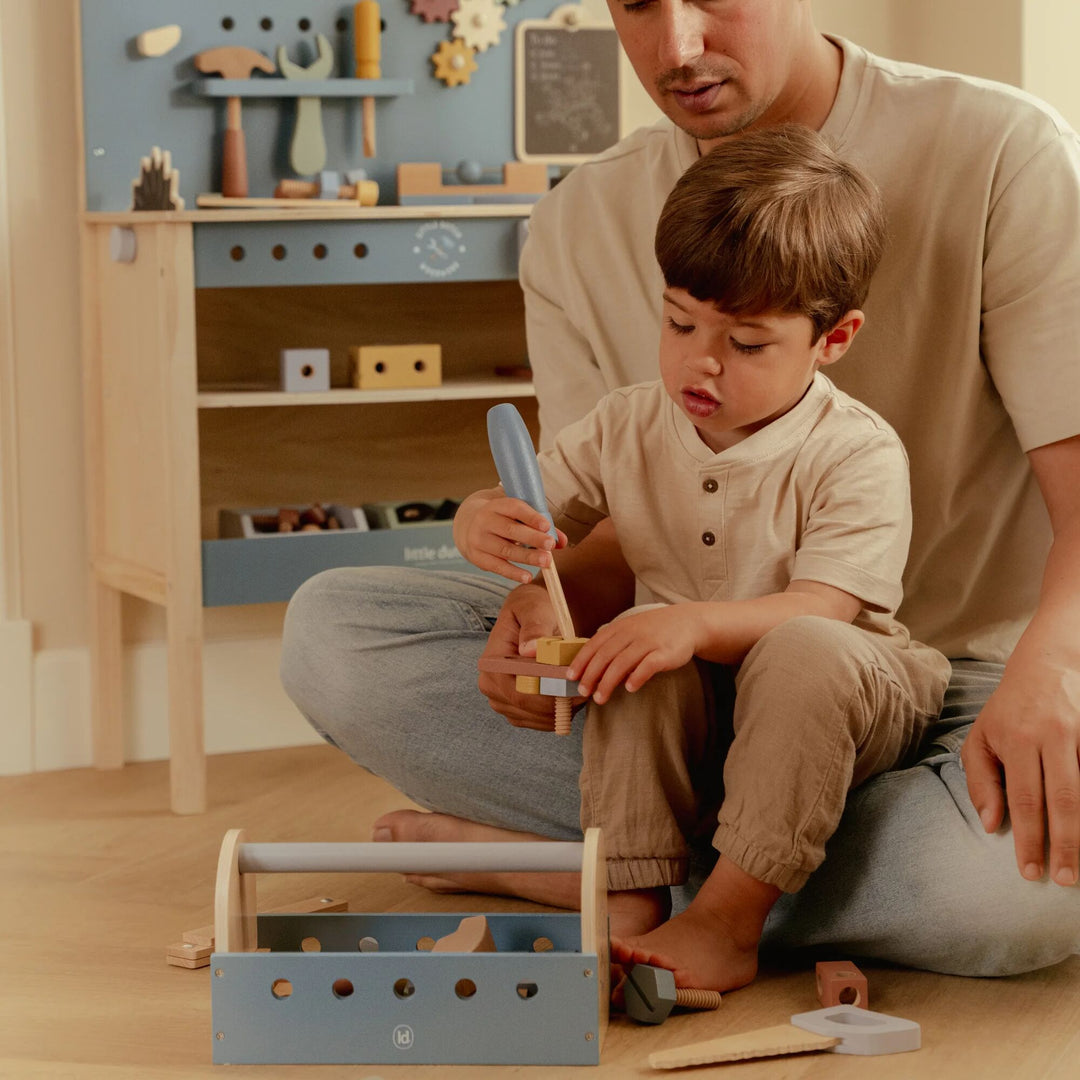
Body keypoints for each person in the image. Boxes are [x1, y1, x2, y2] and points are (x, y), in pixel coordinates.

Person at [281, 0, 1080, 978]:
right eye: (636, 2)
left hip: (942, 693)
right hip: (683, 683)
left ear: (833, 340)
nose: (678, 48)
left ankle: (620, 878)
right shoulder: (577, 223)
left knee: (1024, 888)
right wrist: (545, 603)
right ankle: (679, 879)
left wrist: (1055, 667)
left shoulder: (1002, 151)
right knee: (333, 632)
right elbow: (597, 525)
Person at [452, 124, 952, 990]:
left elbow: (826, 609)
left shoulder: (856, 451)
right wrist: (480, 523)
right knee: (632, 651)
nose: (701, 363)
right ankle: (629, 901)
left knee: (794, 648)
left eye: (747, 345)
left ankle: (727, 920)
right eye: (679, 323)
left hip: (843, 693)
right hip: (697, 711)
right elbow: (532, 506)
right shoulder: (626, 422)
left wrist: (686, 623)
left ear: (833, 340)